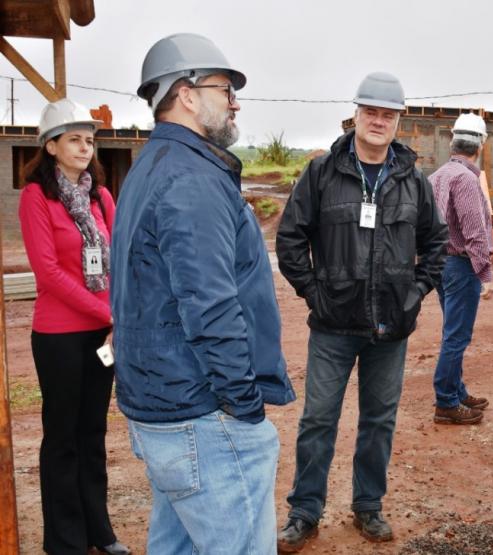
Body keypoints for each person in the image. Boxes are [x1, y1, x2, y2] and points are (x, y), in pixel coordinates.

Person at [110, 33, 295, 553]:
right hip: (202, 414)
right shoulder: (191, 178)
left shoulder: (155, 165)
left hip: (166, 406)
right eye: (224, 89)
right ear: (186, 94)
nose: (234, 102)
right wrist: (244, 407)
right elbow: (210, 307)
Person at [275, 71, 448, 551]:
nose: (378, 121)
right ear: (355, 115)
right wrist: (315, 293)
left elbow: (437, 243)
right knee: (318, 420)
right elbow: (290, 239)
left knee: (379, 422)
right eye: (370, 111)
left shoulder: (414, 181)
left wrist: (414, 292)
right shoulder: (322, 173)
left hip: (390, 328)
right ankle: (305, 511)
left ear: (398, 122)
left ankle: (368, 506)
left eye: (388, 114)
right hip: (332, 326)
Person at [19, 98, 129, 555]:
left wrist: (117, 312)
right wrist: (108, 314)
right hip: (59, 336)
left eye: (89, 141)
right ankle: (65, 541)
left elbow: (120, 257)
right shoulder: (35, 197)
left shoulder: (102, 197)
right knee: (63, 437)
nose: (85, 148)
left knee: (93, 433)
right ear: (51, 146)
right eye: (74, 140)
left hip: (101, 334)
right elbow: (47, 272)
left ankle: (99, 532)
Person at [429, 112, 493, 425]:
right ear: (480, 145)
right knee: (456, 337)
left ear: (452, 142)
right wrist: (486, 275)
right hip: (460, 266)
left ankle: (456, 390)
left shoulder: (437, 176)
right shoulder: (467, 179)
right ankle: (446, 401)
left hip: (441, 264)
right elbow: (475, 233)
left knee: (452, 331)